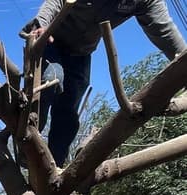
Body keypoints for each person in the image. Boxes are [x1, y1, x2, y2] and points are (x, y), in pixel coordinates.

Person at [23, 0, 186, 167]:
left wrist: (184, 66)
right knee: (51, 81)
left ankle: (54, 166)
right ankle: (27, 146)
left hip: (81, 54)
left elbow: (164, 30)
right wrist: (41, 24)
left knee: (68, 113)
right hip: (50, 42)